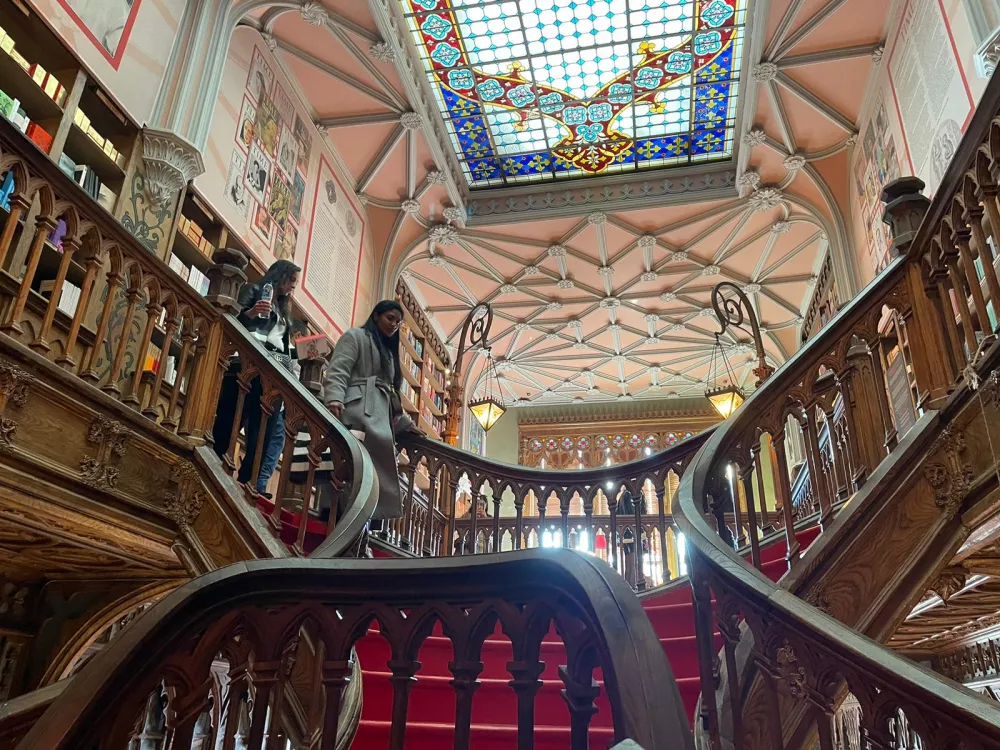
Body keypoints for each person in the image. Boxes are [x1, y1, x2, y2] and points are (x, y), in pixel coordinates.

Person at [323, 300, 417, 524]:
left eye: (398, 321)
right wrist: (334, 398)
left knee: (373, 472)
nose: (394, 324)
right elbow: (339, 369)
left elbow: (389, 395)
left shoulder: (388, 353)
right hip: (355, 412)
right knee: (350, 467)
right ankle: (336, 516)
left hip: (379, 419)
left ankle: (368, 520)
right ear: (376, 316)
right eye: (390, 318)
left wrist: (405, 424)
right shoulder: (355, 336)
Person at [213, 260, 300, 495]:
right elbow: (231, 322)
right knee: (230, 422)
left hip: (271, 378)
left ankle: (250, 481)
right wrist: (251, 313)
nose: (293, 286)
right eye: (291, 280)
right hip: (244, 369)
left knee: (264, 434)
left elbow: (282, 345)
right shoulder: (253, 290)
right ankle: (214, 464)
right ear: (280, 275)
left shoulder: (283, 311)